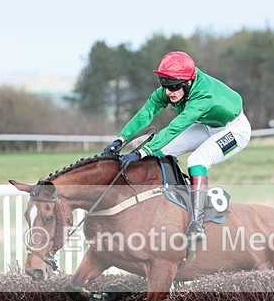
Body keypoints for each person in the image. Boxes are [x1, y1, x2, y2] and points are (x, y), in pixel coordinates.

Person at [101, 51, 251, 242]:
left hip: (234, 129)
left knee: (197, 160)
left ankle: (197, 223)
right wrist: (120, 140)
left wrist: (140, 152)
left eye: (172, 87)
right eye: (163, 85)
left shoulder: (202, 96)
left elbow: (174, 128)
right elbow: (146, 113)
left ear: (188, 82)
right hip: (207, 124)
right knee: (157, 152)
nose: (168, 92)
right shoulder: (173, 86)